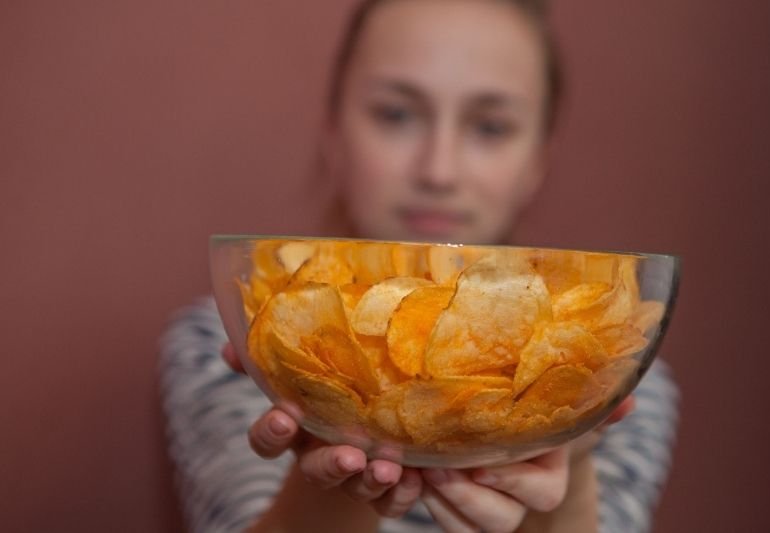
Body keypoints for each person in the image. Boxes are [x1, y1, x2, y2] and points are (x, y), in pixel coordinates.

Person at [159, 0, 680, 531]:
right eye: (396, 114)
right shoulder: (230, 344)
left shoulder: (620, 369)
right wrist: (336, 432)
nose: (438, 169)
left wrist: (567, 458)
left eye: (491, 127)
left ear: (537, 162)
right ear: (333, 135)